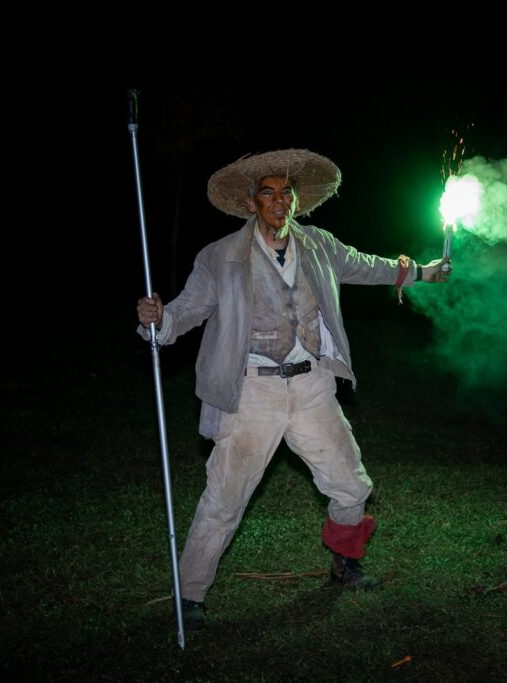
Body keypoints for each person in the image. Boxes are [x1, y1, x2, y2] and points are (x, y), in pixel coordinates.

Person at [136, 149, 449, 628]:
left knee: (351, 486)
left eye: (287, 192)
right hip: (251, 392)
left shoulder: (319, 245)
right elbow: (186, 311)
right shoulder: (220, 257)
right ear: (251, 202)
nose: (279, 201)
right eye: (268, 193)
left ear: (297, 200)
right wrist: (158, 321)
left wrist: (422, 272)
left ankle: (345, 563)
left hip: (312, 385)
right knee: (224, 499)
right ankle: (190, 596)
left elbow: (367, 266)